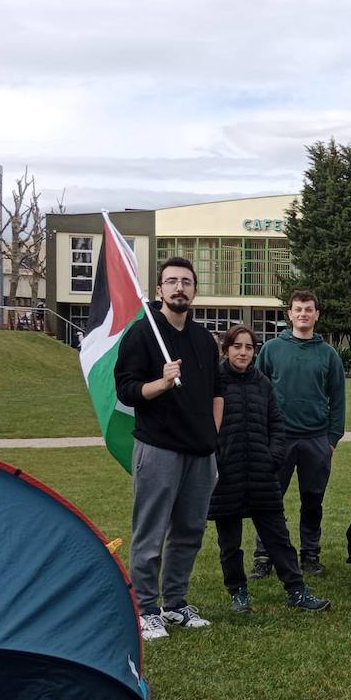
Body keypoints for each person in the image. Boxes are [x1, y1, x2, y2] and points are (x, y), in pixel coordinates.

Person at [115, 257, 223, 642]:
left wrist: (213, 437)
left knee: (190, 531)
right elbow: (126, 390)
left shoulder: (203, 338)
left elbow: (216, 392)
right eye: (171, 282)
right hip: (158, 448)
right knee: (151, 532)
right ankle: (146, 609)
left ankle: (175, 604)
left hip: (200, 452)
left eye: (187, 282)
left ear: (195, 290)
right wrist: (160, 384)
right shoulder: (143, 334)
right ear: (159, 290)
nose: (180, 288)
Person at [208, 325, 331, 616]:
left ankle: (296, 591)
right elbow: (205, 424)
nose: (243, 352)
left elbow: (276, 424)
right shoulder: (214, 382)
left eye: (249, 347)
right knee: (230, 542)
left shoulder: (262, 383)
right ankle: (238, 592)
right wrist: (217, 458)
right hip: (227, 475)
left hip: (261, 474)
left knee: (278, 537)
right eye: (237, 346)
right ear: (227, 349)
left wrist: (273, 457)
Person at [250, 290, 346, 579]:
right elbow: (257, 392)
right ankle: (264, 554)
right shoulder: (271, 350)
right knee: (269, 499)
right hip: (278, 438)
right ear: (289, 314)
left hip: (316, 439)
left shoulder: (328, 355)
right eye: (298, 309)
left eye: (308, 309)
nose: (303, 314)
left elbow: (338, 399)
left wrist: (331, 439)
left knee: (312, 500)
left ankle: (310, 554)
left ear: (317, 315)